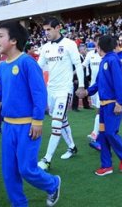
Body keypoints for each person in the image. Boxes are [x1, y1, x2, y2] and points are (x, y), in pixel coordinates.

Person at [0, 21, 61, 206]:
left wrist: (37, 121)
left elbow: (39, 93)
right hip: (8, 126)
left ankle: (53, 184)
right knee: (9, 172)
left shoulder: (27, 62)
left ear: (13, 40)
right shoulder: (2, 67)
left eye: (0, 36)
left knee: (27, 169)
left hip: (28, 126)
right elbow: (1, 94)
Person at [77, 35, 122, 176]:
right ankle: (106, 166)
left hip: (112, 104)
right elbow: (98, 83)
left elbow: (120, 83)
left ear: (100, 46)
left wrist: (120, 102)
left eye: (96, 44)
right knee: (103, 136)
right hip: (103, 106)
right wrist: (87, 92)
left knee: (110, 133)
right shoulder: (104, 61)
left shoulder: (113, 60)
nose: (95, 46)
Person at [37, 17, 85, 170]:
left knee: (56, 123)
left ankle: (47, 159)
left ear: (58, 28)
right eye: (44, 30)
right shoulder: (45, 47)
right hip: (51, 89)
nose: (46, 33)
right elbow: (39, 67)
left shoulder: (69, 44)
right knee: (61, 119)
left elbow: (78, 64)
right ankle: (72, 146)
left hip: (65, 90)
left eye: (49, 29)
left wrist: (82, 86)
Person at [82, 35, 102, 150]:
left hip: (102, 87)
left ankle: (95, 132)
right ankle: (98, 130)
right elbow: (83, 65)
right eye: (96, 41)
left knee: (100, 109)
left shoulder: (105, 55)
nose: (98, 43)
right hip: (93, 86)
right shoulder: (90, 54)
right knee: (97, 109)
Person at [72, 44, 91, 111]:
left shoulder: (85, 57)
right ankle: (74, 107)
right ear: (80, 50)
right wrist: (75, 78)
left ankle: (86, 105)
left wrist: (88, 78)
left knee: (85, 91)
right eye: (84, 49)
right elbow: (74, 68)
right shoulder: (77, 57)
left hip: (85, 77)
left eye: (85, 49)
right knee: (76, 92)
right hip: (78, 77)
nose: (86, 50)